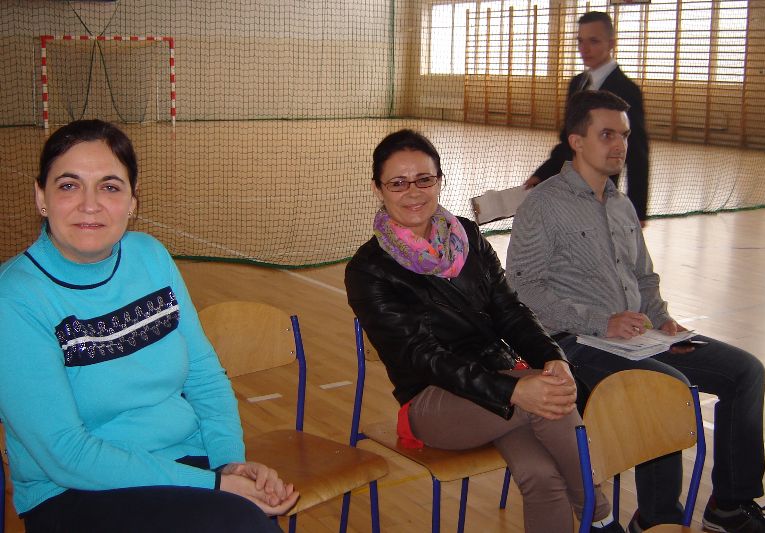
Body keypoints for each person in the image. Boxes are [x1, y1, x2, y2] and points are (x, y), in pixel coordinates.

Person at [507, 91, 765, 533]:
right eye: (607, 135)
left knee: (746, 371)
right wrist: (601, 322)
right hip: (574, 345)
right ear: (577, 142)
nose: (620, 145)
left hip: (638, 338)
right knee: (665, 387)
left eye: (624, 135)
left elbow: (644, 277)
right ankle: (658, 517)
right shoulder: (542, 205)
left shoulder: (621, 205)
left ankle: (730, 507)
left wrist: (662, 319)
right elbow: (523, 289)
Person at [0, 119, 299, 532]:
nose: (90, 204)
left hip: (181, 462)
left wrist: (230, 463)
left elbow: (204, 375)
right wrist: (216, 485)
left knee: (242, 519)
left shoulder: (151, 257)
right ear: (41, 197)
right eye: (69, 185)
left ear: (132, 201)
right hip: (74, 490)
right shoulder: (15, 297)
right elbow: (64, 454)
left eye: (110, 187)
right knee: (237, 521)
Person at [345, 129, 625, 533]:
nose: (413, 192)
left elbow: (510, 310)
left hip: (500, 383)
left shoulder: (467, 236)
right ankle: (601, 517)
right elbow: (422, 357)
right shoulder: (369, 271)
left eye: (424, 179)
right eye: (398, 183)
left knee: (541, 473)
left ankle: (594, 518)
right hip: (431, 400)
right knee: (546, 398)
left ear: (440, 180)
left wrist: (552, 357)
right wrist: (513, 390)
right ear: (378, 189)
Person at [526, 11, 649, 224]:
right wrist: (542, 174)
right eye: (580, 41)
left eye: (593, 41)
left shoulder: (627, 90)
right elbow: (568, 142)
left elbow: (637, 154)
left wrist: (637, 211)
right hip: (568, 193)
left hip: (601, 199)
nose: (584, 49)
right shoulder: (577, 84)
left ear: (611, 43)